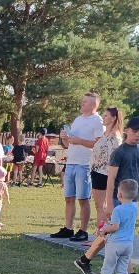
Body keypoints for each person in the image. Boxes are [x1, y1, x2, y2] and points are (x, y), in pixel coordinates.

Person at [73, 116, 139, 274]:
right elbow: (111, 179)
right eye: (135, 131)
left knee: (113, 234)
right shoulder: (119, 152)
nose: (138, 134)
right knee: (120, 235)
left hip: (133, 201)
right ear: (127, 131)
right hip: (118, 200)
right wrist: (109, 202)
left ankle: (84, 260)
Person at [51, 92, 105, 241]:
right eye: (82, 101)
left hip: (85, 164)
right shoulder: (78, 119)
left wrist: (80, 141)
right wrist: (65, 139)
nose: (82, 104)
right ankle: (68, 228)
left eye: (85, 102)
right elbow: (70, 144)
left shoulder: (98, 121)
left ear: (94, 105)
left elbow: (99, 145)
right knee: (69, 198)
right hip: (71, 162)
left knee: (83, 199)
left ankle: (83, 230)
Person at [89, 179, 139, 274]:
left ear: (120, 194)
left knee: (107, 267)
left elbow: (115, 227)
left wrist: (104, 230)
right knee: (122, 270)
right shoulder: (135, 207)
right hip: (128, 244)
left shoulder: (118, 210)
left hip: (115, 244)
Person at [90, 107, 124, 225]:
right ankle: (100, 233)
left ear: (114, 118)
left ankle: (101, 235)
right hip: (97, 171)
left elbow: (114, 157)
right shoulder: (105, 133)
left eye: (106, 116)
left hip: (104, 174)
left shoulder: (114, 136)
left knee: (101, 206)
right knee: (99, 206)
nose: (103, 118)